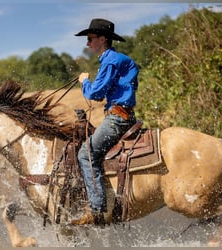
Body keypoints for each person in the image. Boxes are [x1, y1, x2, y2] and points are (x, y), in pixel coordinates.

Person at [71, 18, 139, 225]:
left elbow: (96, 93)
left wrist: (84, 81)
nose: (87, 43)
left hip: (117, 118)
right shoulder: (114, 60)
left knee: (86, 153)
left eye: (90, 39)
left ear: (102, 39)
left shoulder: (110, 61)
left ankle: (97, 207)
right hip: (122, 114)